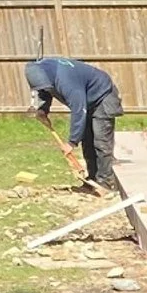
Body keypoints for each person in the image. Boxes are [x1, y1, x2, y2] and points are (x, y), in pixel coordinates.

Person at [24, 55, 123, 192]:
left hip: (103, 95)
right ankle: (93, 179)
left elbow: (79, 109)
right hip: (88, 99)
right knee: (87, 141)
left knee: (100, 142)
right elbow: (45, 90)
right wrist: (43, 110)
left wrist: (71, 142)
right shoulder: (42, 70)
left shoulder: (66, 81)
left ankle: (106, 182)